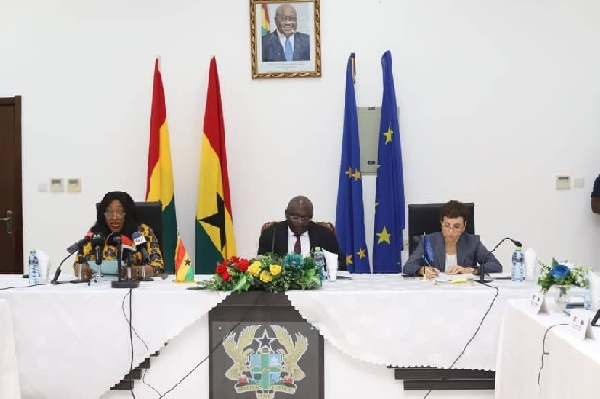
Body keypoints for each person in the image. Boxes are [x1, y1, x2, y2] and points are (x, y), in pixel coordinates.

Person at [74, 191, 164, 279]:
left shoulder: (141, 232)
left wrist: (137, 271)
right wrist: (81, 270)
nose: (114, 217)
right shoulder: (96, 234)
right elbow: (78, 264)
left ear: (128, 214)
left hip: (135, 287)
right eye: (109, 212)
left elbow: (158, 266)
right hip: (100, 287)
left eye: (120, 212)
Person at [403, 200, 502, 278]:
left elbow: (496, 266)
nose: (450, 231)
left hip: (464, 293)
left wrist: (470, 270)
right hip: (434, 292)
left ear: (464, 226)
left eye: (456, 226)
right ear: (441, 223)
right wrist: (422, 270)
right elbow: (407, 267)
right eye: (447, 226)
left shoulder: (472, 242)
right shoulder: (428, 241)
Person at [257, 195, 343, 269]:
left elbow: (340, 263)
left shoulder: (324, 234)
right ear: (286, 214)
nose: (300, 222)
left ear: (311, 216)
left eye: (305, 218)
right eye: (295, 218)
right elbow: (260, 264)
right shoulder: (271, 234)